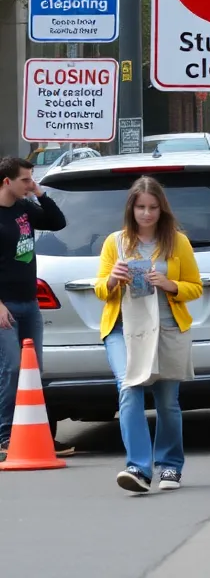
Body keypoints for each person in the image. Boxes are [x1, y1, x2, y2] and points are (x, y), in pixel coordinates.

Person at [94, 176, 202, 493]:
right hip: (123, 330)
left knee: (168, 401)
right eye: (141, 207)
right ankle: (138, 468)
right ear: (131, 209)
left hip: (167, 328)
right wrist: (113, 279)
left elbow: (195, 287)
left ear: (161, 209)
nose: (146, 214)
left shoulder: (177, 242)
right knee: (129, 389)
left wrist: (170, 285)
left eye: (153, 207)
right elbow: (100, 290)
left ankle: (170, 466)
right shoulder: (115, 242)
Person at [0, 156, 71, 461]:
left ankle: (38, 433)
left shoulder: (25, 207)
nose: (31, 184)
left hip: (29, 303)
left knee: (33, 373)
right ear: (6, 182)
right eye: (25, 180)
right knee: (12, 369)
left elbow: (57, 222)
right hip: (5, 307)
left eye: (31, 178)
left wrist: (40, 194)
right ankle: (5, 437)